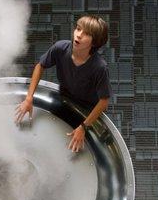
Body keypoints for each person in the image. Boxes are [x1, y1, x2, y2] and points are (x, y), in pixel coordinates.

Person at [15, 15, 111, 152]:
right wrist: (29, 98)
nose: (78, 35)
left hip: (87, 109)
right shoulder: (61, 48)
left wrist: (83, 127)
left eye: (86, 34)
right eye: (78, 29)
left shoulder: (99, 67)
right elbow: (40, 65)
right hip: (65, 98)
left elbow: (104, 102)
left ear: (94, 42)